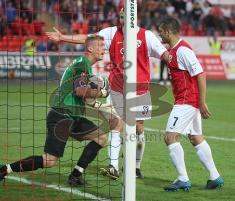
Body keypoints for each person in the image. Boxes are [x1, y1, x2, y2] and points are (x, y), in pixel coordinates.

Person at [46, 8, 169, 180]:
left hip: (140, 90)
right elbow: (89, 39)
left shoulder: (146, 36)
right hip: (117, 89)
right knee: (115, 124)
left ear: (134, 17)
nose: (121, 19)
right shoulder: (111, 33)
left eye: (124, 16)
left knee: (139, 129)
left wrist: (177, 63)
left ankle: (135, 166)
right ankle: (113, 166)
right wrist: (63, 37)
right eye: (120, 16)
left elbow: (165, 55)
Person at [0, 35, 110, 186]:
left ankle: (75, 175)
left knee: (101, 137)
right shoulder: (83, 63)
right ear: (90, 48)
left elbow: (83, 96)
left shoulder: (84, 64)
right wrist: (103, 92)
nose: (104, 49)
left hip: (73, 116)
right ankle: (5, 169)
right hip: (62, 116)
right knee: (49, 161)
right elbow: (80, 91)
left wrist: (100, 105)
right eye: (101, 45)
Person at [158, 17, 224, 191]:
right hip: (187, 100)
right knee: (195, 138)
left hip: (187, 100)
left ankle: (183, 178)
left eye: (160, 31)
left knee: (170, 137)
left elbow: (200, 74)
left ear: (167, 31)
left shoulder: (183, 50)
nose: (159, 35)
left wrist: (202, 102)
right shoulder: (173, 50)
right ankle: (215, 177)